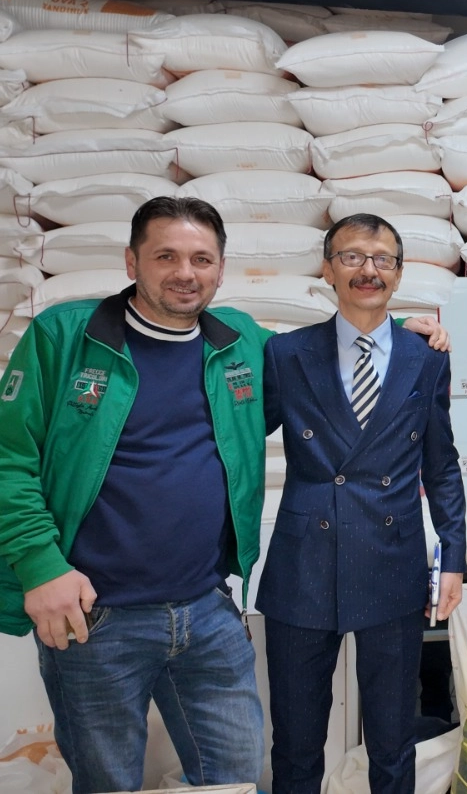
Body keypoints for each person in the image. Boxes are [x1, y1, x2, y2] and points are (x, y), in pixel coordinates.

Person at [0, 197, 268, 793]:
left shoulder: (239, 342)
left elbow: (320, 366)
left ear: (221, 269)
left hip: (207, 611)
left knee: (234, 778)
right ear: (131, 262)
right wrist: (40, 566)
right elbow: (8, 457)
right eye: (166, 256)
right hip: (97, 620)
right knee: (108, 784)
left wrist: (398, 332)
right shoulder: (63, 336)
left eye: (201, 259)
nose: (185, 272)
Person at [259, 213, 466, 794]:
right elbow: (237, 436)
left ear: (398, 274)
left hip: (392, 561)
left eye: (382, 260)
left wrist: (452, 556)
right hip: (303, 565)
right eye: (352, 257)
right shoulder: (285, 353)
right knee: (296, 743)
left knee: (393, 741)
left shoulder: (426, 356)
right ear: (328, 270)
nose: (367, 270)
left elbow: (441, 464)